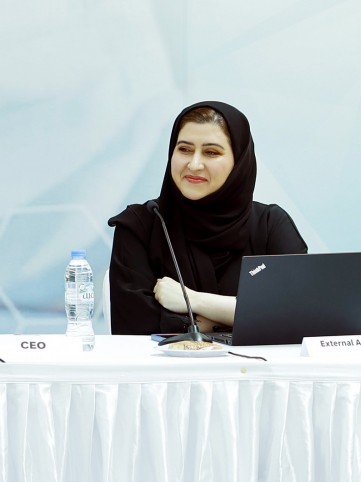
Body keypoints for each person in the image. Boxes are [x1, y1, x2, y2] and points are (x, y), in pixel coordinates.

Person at [107, 100, 306, 334]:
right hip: (168, 369)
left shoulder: (270, 225)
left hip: (258, 369)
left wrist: (193, 300)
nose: (194, 164)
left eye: (211, 152)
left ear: (239, 162)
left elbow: (298, 312)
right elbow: (134, 324)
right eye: (184, 149)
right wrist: (234, 318)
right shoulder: (141, 225)